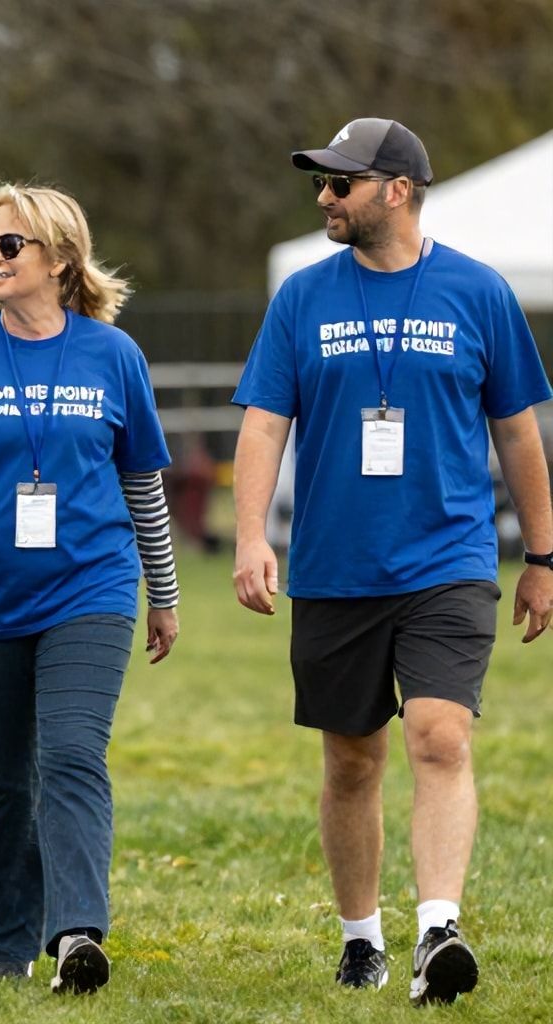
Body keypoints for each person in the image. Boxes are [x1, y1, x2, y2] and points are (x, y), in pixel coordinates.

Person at [232, 117, 553, 1006]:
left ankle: (437, 930)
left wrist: (544, 554)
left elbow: (518, 431)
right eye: (321, 185)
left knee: (440, 737)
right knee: (352, 762)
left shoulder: (478, 293)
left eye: (341, 183)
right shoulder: (302, 296)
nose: (325, 198)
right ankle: (361, 938)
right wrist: (252, 533)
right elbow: (264, 421)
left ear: (397, 190)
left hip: (449, 559)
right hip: (335, 565)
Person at [0, 183, 180, 995]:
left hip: (91, 588)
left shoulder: (113, 356)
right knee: (2, 781)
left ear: (58, 259)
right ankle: (9, 945)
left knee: (72, 754)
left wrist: (163, 592)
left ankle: (77, 933)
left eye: (9, 244)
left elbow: (142, 487)